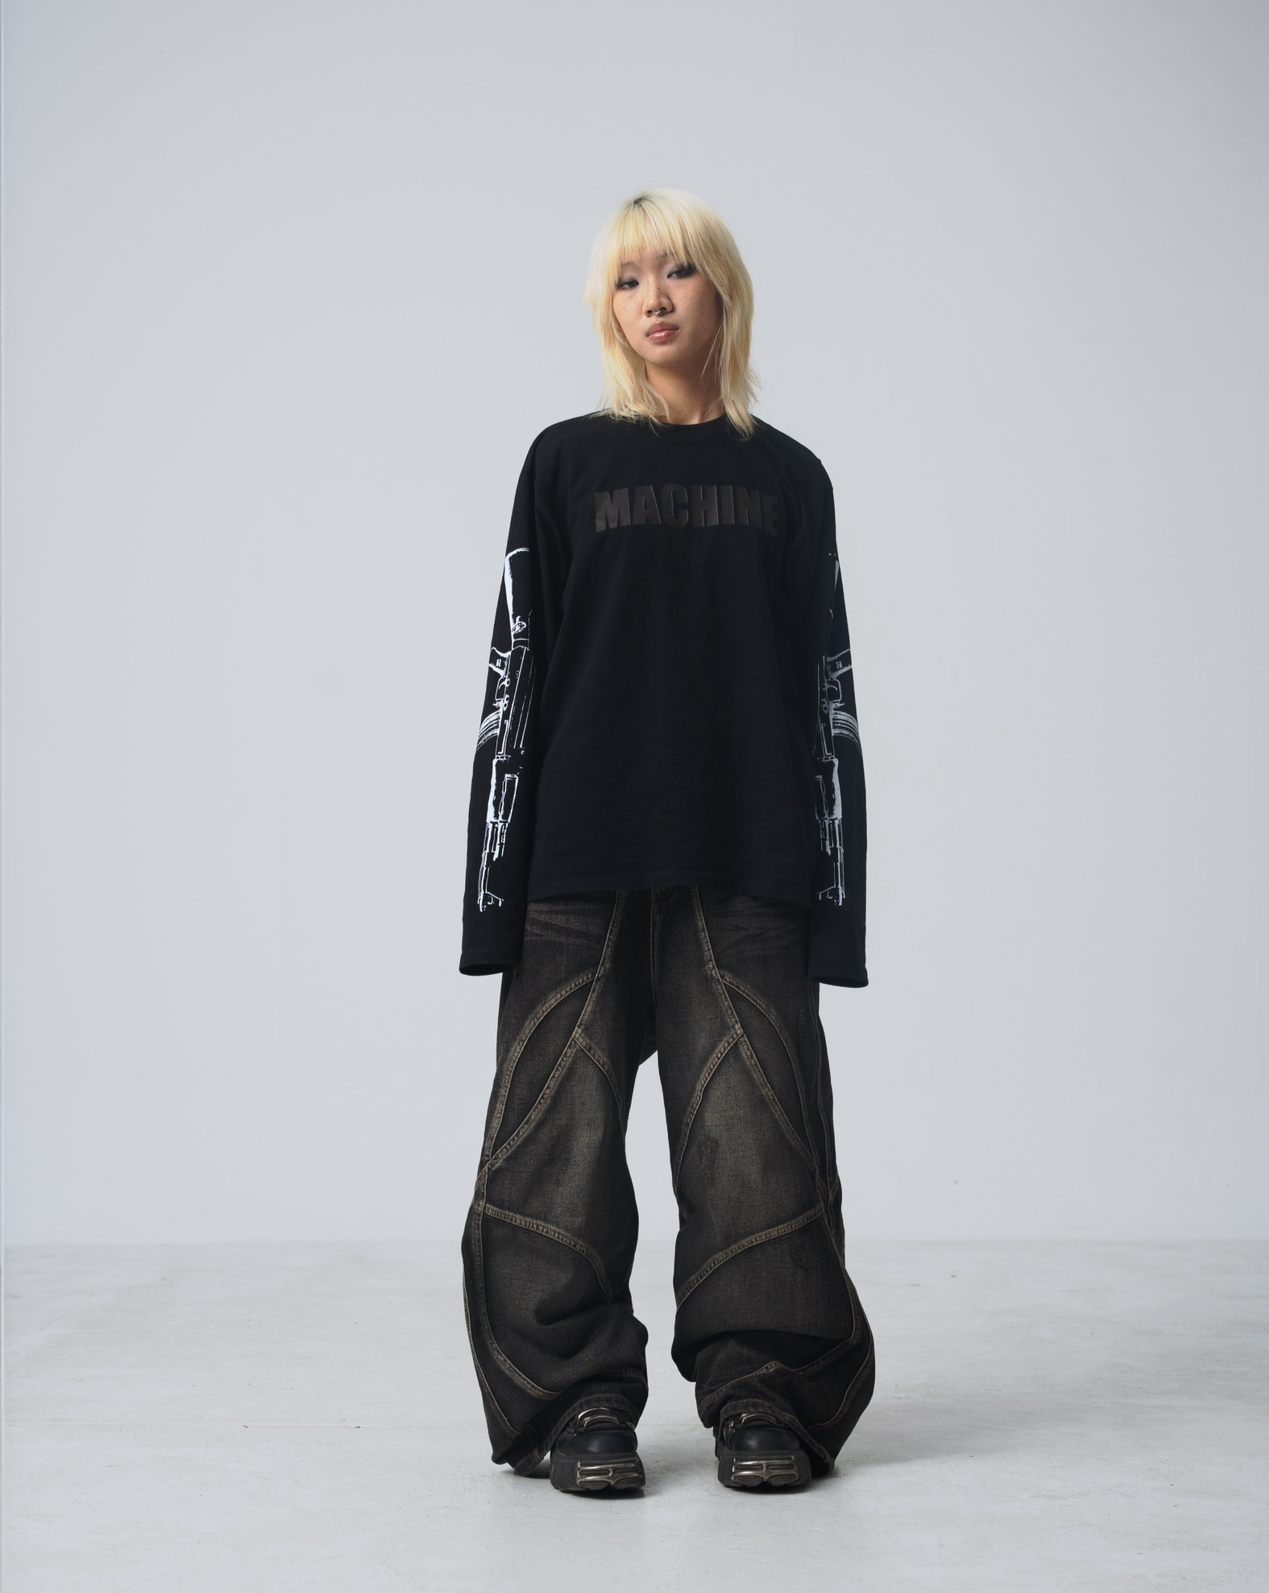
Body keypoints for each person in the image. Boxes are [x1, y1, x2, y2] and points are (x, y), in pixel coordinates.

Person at [458, 189, 874, 1494]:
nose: (655, 297)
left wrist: (837, 902)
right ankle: (573, 1401)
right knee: (556, 1142)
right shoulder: (564, 465)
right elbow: (517, 670)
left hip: (748, 849)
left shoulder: (789, 477)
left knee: (758, 1138)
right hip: (576, 853)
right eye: (630, 277)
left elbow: (825, 690)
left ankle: (765, 1395)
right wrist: (491, 887)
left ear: (723, 293)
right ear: (607, 305)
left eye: (680, 270)